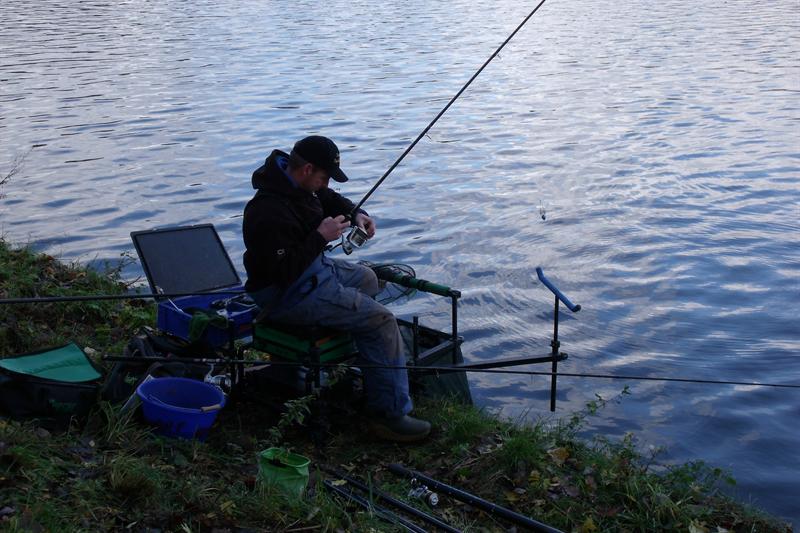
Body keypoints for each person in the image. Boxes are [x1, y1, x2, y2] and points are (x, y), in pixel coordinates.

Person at [242, 135, 431, 442]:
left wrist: (356, 214)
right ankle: (389, 414)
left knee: (368, 279)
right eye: (324, 176)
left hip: (311, 270)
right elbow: (281, 273)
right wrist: (320, 237)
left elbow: (328, 198)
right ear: (307, 169)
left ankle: (358, 363)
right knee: (381, 320)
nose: (326, 183)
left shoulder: (299, 185)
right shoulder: (266, 211)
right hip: (285, 292)